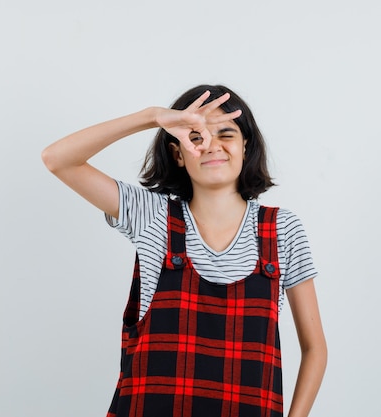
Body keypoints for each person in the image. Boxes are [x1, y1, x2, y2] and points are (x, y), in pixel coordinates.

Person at [41, 85, 327, 417]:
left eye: (226, 134)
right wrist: (152, 116)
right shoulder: (150, 215)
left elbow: (315, 348)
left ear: (245, 147)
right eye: (195, 136)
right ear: (178, 153)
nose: (212, 146)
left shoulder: (282, 230)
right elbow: (58, 159)